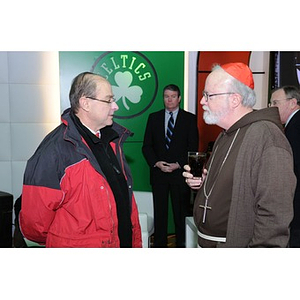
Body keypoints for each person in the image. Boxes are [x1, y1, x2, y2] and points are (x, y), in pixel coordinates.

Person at [19, 72, 142, 248]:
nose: (115, 106)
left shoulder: (113, 140)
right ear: (85, 103)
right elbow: (35, 224)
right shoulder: (54, 150)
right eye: (108, 100)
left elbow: (123, 199)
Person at [183, 62, 296, 247]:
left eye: (208, 95)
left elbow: (274, 215)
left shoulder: (266, 136)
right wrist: (203, 184)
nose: (202, 101)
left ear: (234, 99)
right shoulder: (225, 134)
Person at [142, 84, 199, 247]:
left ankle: (182, 245)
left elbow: (193, 147)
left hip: (180, 175)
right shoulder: (154, 118)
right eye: (166, 96)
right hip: (159, 174)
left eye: (173, 96)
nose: (169, 99)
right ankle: (159, 246)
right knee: (160, 214)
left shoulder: (189, 119)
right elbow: (146, 146)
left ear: (179, 98)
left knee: (180, 214)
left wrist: (178, 164)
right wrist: (156, 163)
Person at [270, 86, 300, 247]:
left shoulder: (295, 126)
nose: (272, 107)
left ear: (293, 102)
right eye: (270, 103)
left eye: (276, 102)